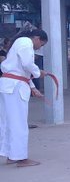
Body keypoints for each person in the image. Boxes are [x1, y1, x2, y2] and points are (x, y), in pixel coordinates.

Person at [0, 29, 47, 167]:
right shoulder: (26, 42)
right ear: (37, 38)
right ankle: (21, 158)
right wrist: (39, 72)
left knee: (7, 121)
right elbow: (27, 65)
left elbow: (22, 71)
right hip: (15, 87)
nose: (40, 48)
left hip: (9, 85)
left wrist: (33, 87)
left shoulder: (18, 44)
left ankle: (11, 155)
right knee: (18, 123)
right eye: (42, 44)